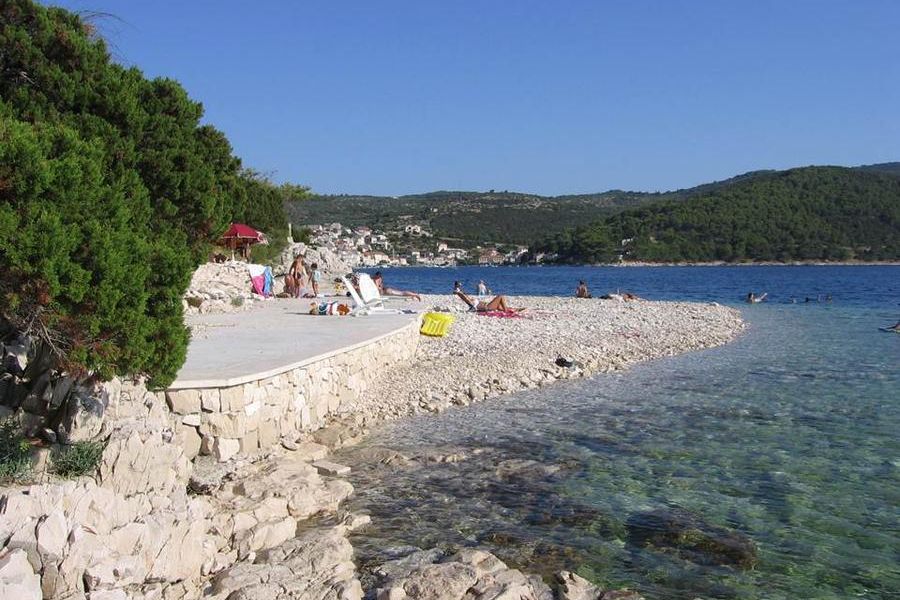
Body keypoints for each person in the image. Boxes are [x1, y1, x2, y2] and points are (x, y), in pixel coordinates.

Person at [455, 288, 522, 313]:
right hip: (488, 307)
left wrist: (460, 292)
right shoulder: (471, 303)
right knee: (500, 296)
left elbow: (465, 296)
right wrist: (458, 292)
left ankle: (516, 309)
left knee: (500, 306)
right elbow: (464, 297)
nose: (467, 296)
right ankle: (506, 311)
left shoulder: (471, 301)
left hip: (488, 305)